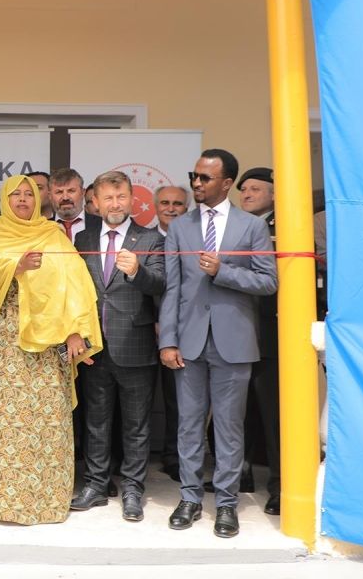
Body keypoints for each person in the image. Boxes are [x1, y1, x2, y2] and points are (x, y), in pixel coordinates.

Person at [0, 175, 102, 525]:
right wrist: (16, 267)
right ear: (5, 199)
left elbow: (76, 286)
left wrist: (76, 332)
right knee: (1, 418)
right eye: (16, 194)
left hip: (47, 342)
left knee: (45, 420)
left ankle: (45, 500)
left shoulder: (53, 235)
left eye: (29, 194)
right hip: (5, 339)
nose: (23, 199)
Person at [159, 149, 277, 538]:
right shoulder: (180, 227)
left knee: (228, 428)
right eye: (194, 175)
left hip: (234, 342)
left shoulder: (251, 226)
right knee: (189, 426)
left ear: (226, 183)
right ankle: (190, 498)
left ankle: (226, 503)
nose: (196, 183)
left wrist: (223, 271)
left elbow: (268, 282)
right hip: (188, 343)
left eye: (205, 178)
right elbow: (173, 288)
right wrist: (168, 340)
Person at [69, 171, 166, 522]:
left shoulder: (151, 239)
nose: (114, 204)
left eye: (121, 197)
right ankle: (96, 485)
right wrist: (76, 334)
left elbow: (161, 284)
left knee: (136, 425)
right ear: (95, 201)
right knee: (96, 421)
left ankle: (133, 490)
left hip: (136, 345)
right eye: (108, 198)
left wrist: (138, 271)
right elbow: (73, 289)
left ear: (132, 199)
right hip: (94, 347)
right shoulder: (83, 238)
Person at [236, 166, 281, 515]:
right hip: (236, 329)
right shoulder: (235, 225)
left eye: (255, 189)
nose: (247, 194)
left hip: (270, 333)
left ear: (274, 194)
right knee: (239, 411)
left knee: (273, 413)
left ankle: (280, 484)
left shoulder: (285, 227)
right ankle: (241, 473)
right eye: (244, 190)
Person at [153, 185, 189, 482]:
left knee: (178, 400)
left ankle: (174, 457)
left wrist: (168, 327)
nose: (171, 208)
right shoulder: (144, 238)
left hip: (179, 331)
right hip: (142, 330)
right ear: (155, 207)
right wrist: (154, 319)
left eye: (178, 204)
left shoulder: (191, 239)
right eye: (165, 202)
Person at [51, 169, 89, 243]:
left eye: (71, 191)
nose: (65, 198)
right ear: (50, 196)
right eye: (59, 192)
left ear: (83, 193)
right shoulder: (41, 229)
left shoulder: (101, 224)